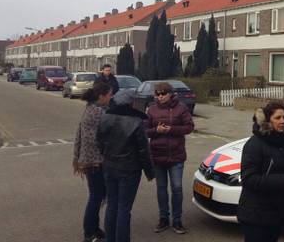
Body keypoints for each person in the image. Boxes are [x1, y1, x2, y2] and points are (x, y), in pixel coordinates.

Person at [237, 102, 284, 242]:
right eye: (277, 118)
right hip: (256, 214)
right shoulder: (255, 144)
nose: (283, 121)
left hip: (277, 212)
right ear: (267, 120)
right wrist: (281, 180)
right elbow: (248, 178)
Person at [97, 89, 155, 242]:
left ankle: (110, 239)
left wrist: (106, 156)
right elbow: (144, 150)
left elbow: (99, 142)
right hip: (129, 170)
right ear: (131, 103)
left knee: (112, 205)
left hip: (109, 167)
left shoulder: (105, 118)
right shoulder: (136, 122)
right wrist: (150, 172)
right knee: (124, 208)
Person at [145, 82, 194, 234]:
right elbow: (145, 130)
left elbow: (189, 127)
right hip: (158, 155)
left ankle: (177, 220)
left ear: (170, 94)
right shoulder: (151, 109)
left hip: (176, 155)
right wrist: (156, 130)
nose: (160, 97)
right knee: (161, 188)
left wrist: (172, 129)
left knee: (177, 188)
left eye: (163, 94)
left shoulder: (181, 108)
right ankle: (163, 219)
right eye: (157, 94)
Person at [73, 82, 113, 242]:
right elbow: (95, 139)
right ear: (102, 96)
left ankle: (94, 228)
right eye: (110, 94)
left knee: (97, 196)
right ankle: (89, 233)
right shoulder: (97, 112)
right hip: (94, 163)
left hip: (90, 161)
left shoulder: (91, 108)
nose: (111, 97)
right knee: (96, 197)